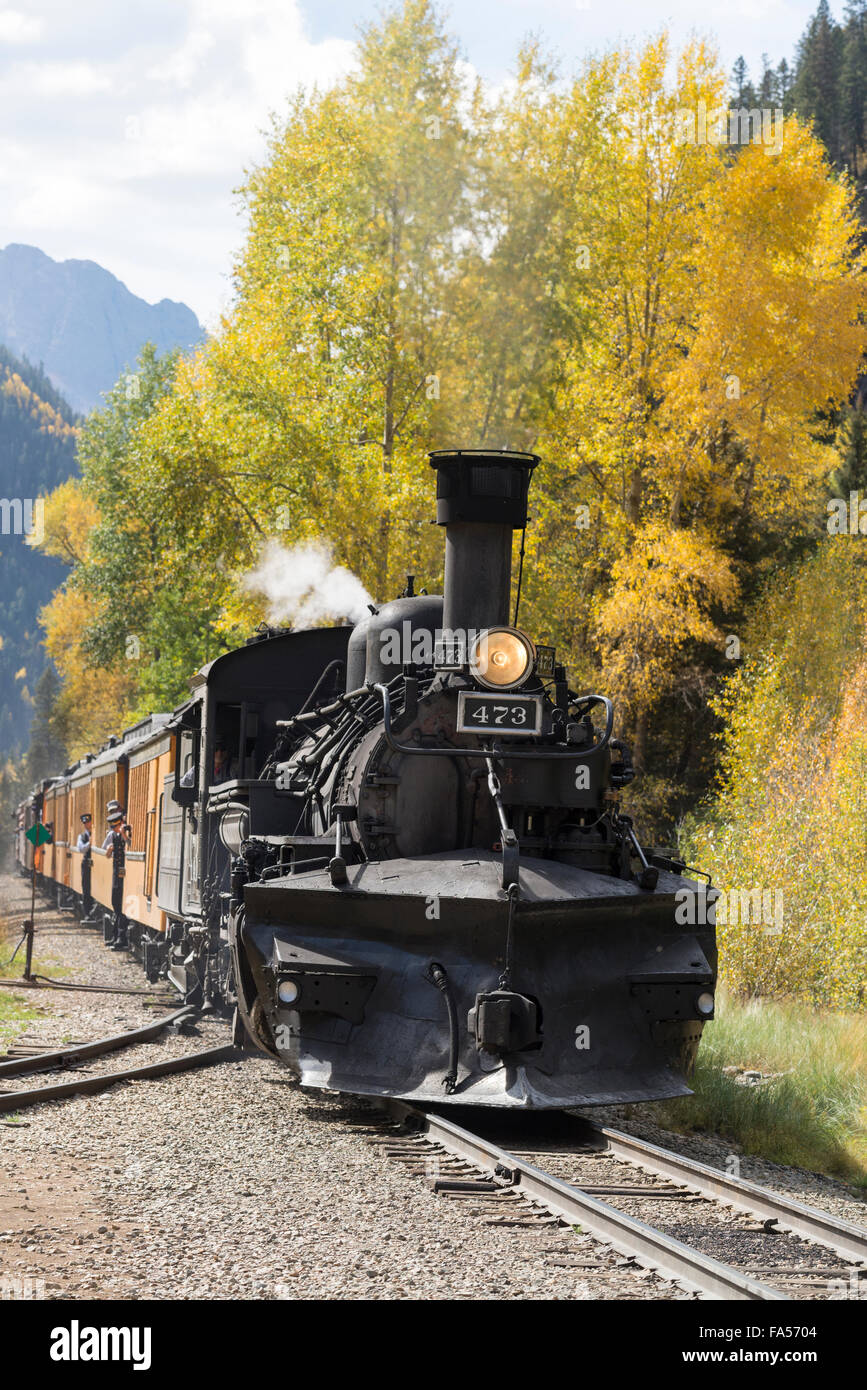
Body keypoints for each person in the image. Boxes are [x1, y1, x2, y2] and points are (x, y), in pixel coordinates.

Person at [102, 806, 131, 949]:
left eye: (116, 826)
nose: (115, 830)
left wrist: (124, 836)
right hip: (116, 874)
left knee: (122, 905)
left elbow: (131, 846)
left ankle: (121, 937)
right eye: (113, 827)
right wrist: (109, 850)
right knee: (115, 903)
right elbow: (106, 855)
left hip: (127, 875)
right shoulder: (112, 836)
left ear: (121, 823)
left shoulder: (127, 834)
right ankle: (115, 936)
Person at [76, 812, 95, 921]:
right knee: (86, 888)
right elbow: (81, 848)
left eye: (88, 822)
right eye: (85, 823)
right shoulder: (82, 836)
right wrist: (89, 843)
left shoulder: (96, 833)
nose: (87, 825)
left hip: (96, 864)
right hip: (86, 864)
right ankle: (87, 913)